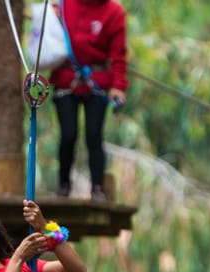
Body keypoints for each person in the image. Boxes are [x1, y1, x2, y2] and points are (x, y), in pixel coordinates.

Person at [50, 0, 128, 201]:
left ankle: (97, 188)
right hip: (66, 79)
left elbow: (118, 54)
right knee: (68, 134)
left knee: (94, 135)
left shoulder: (114, 12)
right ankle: (63, 184)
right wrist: (50, 17)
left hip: (96, 81)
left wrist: (118, 86)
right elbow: (48, 37)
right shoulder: (63, 5)